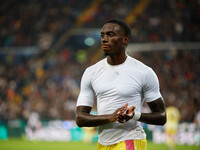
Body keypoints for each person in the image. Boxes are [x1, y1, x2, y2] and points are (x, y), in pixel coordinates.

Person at [76, 19, 166, 150]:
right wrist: (110, 117)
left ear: (125, 40)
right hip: (103, 143)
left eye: (110, 35)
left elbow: (161, 116)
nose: (104, 39)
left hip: (131, 140)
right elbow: (80, 118)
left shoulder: (144, 72)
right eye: (103, 35)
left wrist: (135, 116)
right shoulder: (91, 73)